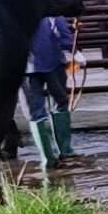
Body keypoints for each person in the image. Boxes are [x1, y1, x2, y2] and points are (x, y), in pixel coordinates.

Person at [22, 14, 75, 167]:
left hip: (25, 66)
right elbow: (63, 34)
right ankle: (66, 152)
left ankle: (48, 159)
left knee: (35, 113)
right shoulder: (50, 9)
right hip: (53, 60)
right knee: (60, 103)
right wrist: (73, 49)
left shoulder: (12, 7)